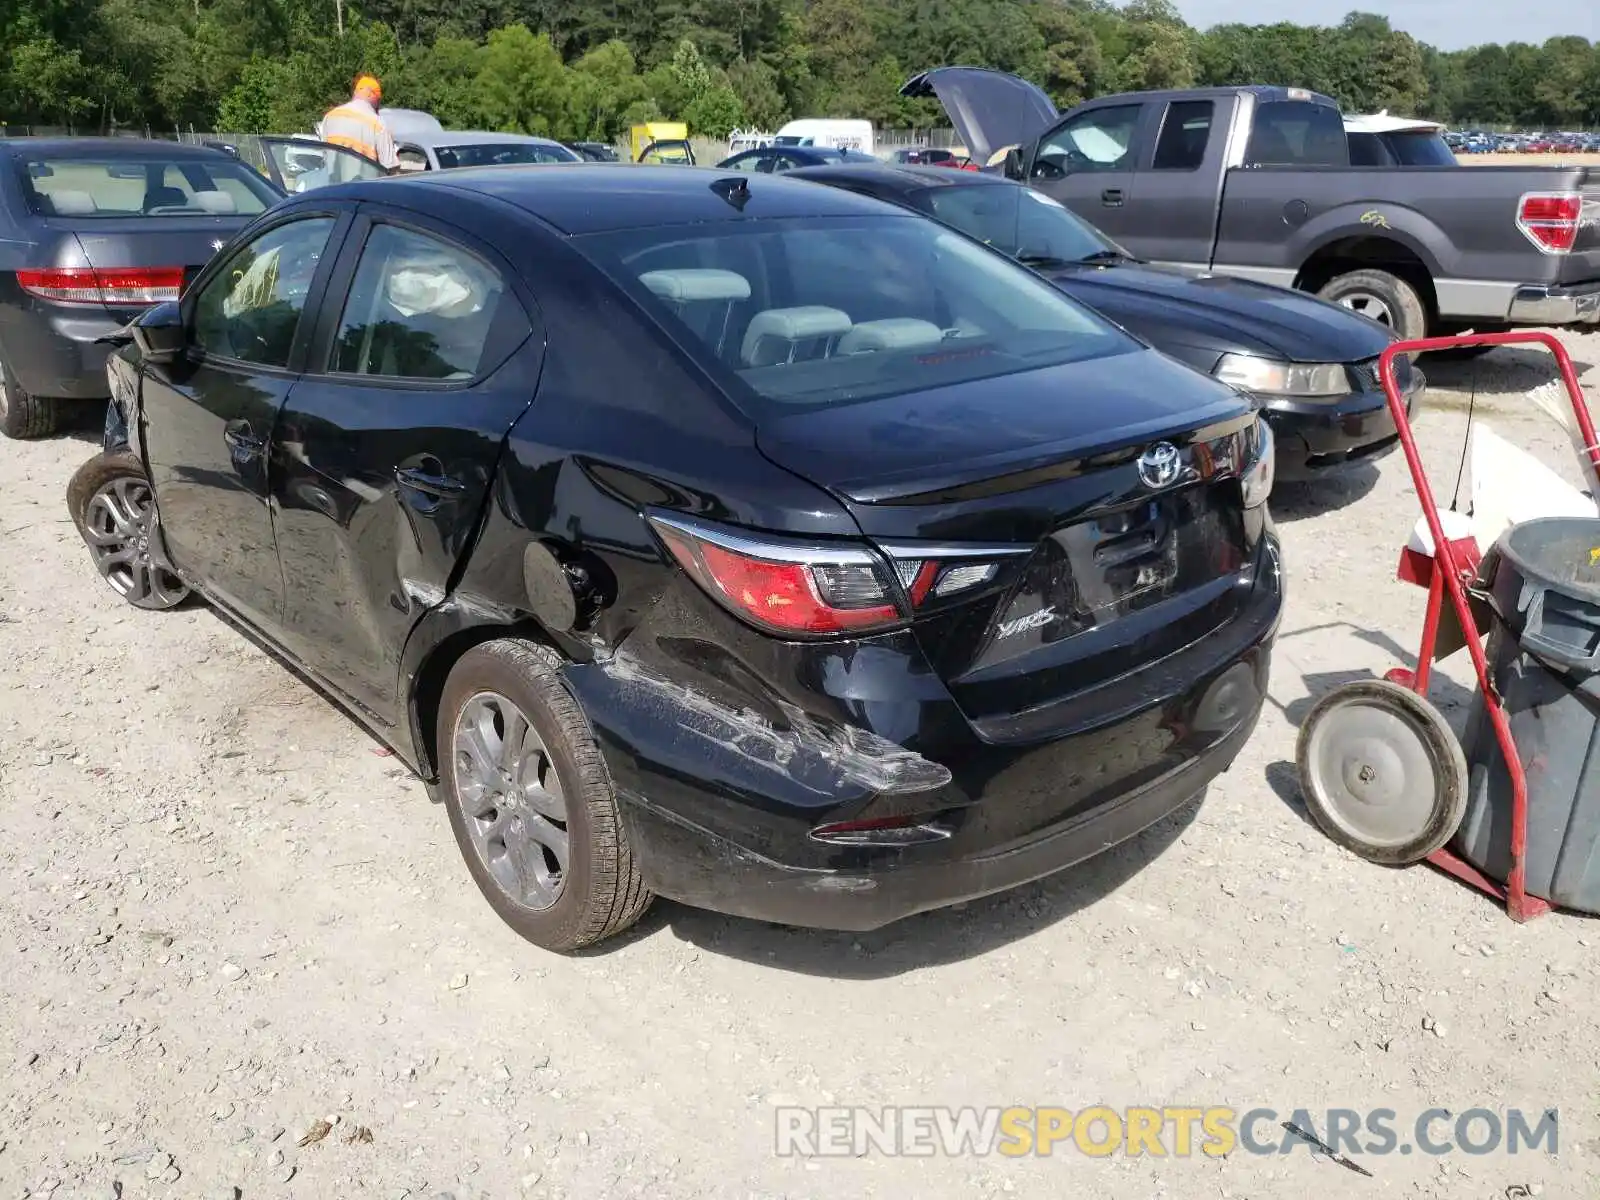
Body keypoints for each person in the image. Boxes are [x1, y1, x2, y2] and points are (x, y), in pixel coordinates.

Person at [317, 75, 400, 171]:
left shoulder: (331, 116)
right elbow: (390, 168)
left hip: (332, 183)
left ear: (356, 92)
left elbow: (324, 156)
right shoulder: (378, 124)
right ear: (372, 96)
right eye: (378, 101)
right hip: (361, 184)